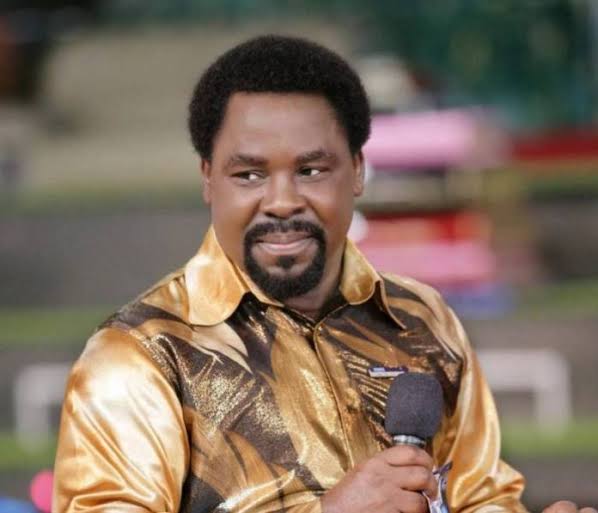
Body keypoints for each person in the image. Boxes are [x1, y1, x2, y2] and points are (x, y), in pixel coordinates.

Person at [52, 35, 596, 513]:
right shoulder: (139, 354)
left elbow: (480, 497)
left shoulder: (422, 320)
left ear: (357, 171)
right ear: (208, 179)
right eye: (249, 174)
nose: (282, 201)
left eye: (311, 170)